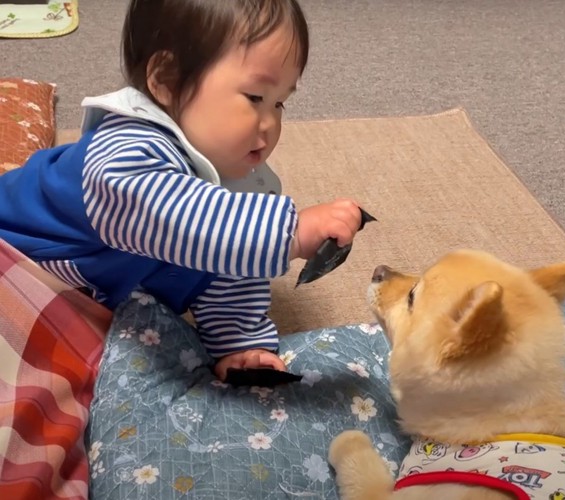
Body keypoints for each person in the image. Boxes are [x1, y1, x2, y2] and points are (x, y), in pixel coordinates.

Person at [0, 0, 362, 380]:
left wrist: (241, 343)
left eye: (280, 103)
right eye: (255, 97)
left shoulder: (234, 182)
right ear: (167, 81)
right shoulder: (123, 157)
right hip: (21, 259)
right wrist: (291, 234)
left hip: (99, 287)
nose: (270, 122)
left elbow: (224, 258)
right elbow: (186, 223)